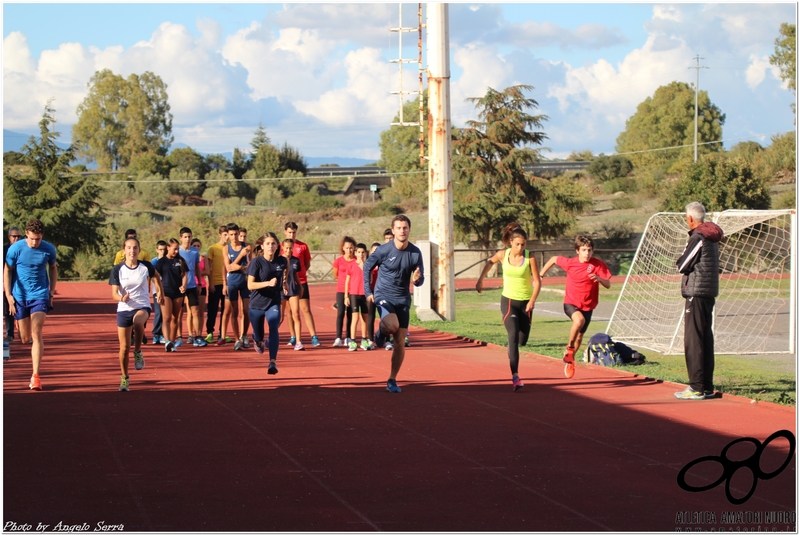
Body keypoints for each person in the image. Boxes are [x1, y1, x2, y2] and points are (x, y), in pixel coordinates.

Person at [475, 223, 542, 391]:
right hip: (509, 301)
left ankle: (515, 366)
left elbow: (538, 281)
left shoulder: (530, 257)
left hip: (526, 303)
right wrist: (480, 279)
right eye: (517, 244)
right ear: (511, 242)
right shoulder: (502, 255)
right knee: (512, 336)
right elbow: (489, 263)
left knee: (522, 339)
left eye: (523, 244)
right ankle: (515, 377)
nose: (520, 247)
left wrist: (533, 300)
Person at [363, 215, 424, 393]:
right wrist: (369, 292)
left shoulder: (415, 253)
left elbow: (420, 280)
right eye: (398, 228)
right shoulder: (383, 250)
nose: (402, 231)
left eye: (405, 228)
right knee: (392, 325)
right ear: (393, 230)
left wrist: (417, 280)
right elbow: (367, 267)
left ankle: (392, 379)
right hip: (383, 295)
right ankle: (380, 333)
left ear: (409, 229)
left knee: (399, 342)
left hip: (403, 298)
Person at [540, 235, 611, 379]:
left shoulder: (597, 264)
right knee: (579, 321)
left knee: (580, 337)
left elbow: (608, 284)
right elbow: (554, 259)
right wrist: (541, 275)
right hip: (571, 303)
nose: (587, 253)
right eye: (584, 250)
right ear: (577, 250)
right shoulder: (570, 263)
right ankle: (570, 349)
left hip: (588, 305)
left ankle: (570, 361)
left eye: (589, 250)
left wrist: (599, 279)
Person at [674, 202, 723, 400]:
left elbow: (683, 265)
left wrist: (679, 261)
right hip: (708, 291)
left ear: (690, 218)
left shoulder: (699, 237)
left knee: (693, 340)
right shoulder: (712, 237)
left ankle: (696, 387)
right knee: (705, 338)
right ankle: (707, 386)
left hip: (697, 292)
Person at [3, 218, 58, 390]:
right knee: (25, 339)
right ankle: (21, 324)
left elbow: (53, 268)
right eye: (32, 238)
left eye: (38, 239)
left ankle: (36, 376)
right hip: (20, 296)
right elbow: (7, 270)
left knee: (37, 332)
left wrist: (51, 291)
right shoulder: (15, 249)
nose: (35, 242)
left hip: (40, 295)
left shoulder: (48, 249)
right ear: (26, 234)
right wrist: (8, 295)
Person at [110, 237, 163, 391]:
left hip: (142, 306)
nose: (132, 251)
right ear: (124, 250)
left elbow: (157, 277)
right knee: (124, 348)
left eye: (135, 248)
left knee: (138, 322)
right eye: (129, 248)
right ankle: (125, 378)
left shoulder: (146, 266)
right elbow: (113, 293)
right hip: (124, 308)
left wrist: (159, 291)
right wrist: (121, 298)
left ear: (139, 250)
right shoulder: (117, 269)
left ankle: (138, 350)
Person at [247, 233, 287, 375]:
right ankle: (258, 341)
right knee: (259, 335)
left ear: (277, 246)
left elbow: (285, 273)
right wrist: (267, 283)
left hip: (273, 303)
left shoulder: (282, 261)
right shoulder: (256, 262)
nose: (271, 246)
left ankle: (272, 362)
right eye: (268, 243)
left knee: (274, 326)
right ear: (262, 246)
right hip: (256, 304)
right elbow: (250, 285)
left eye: (273, 243)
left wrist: (285, 284)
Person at [284, 222, 321, 347]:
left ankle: (314, 336)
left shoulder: (303, 246)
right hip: (287, 284)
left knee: (305, 309)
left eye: (294, 232)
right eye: (289, 232)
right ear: (285, 232)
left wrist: (300, 274)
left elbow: (307, 263)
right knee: (290, 311)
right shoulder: (281, 246)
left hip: (301, 281)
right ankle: (293, 336)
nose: (291, 234)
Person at [218, 222, 251, 350]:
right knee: (234, 311)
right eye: (231, 235)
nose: (234, 237)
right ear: (228, 235)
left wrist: (244, 267)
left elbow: (251, 264)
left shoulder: (247, 247)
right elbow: (229, 268)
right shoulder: (226, 249)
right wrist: (240, 256)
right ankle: (237, 339)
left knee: (246, 311)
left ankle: (244, 335)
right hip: (232, 281)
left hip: (245, 282)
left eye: (236, 234)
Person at [154, 239, 188, 353]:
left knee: (175, 318)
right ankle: (167, 341)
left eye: (177, 248)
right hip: (166, 292)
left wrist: (184, 285)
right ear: (168, 248)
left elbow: (184, 275)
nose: (176, 251)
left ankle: (172, 342)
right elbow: (155, 278)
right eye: (174, 248)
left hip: (178, 293)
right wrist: (159, 291)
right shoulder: (161, 262)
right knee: (167, 318)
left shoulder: (180, 260)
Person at [176, 227, 206, 347]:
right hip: (179, 286)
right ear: (181, 238)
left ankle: (197, 336)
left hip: (192, 285)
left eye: (189, 237)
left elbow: (197, 268)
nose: (188, 239)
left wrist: (199, 283)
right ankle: (179, 337)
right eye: (185, 237)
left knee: (196, 311)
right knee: (178, 312)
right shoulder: (177, 251)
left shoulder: (195, 251)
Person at [345, 243, 372, 351]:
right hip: (354, 294)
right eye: (359, 252)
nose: (361, 254)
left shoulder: (368, 265)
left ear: (366, 253)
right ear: (355, 253)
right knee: (355, 318)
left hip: (364, 295)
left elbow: (370, 280)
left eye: (363, 252)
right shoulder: (351, 265)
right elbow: (347, 281)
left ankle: (364, 339)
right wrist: (346, 296)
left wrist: (364, 268)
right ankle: (352, 340)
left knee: (365, 318)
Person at [205, 225, 228, 343]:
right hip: (216, 283)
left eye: (228, 235)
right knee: (213, 309)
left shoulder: (231, 248)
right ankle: (209, 332)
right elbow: (208, 267)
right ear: (219, 235)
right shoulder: (213, 248)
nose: (227, 237)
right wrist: (211, 283)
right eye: (225, 235)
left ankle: (222, 333)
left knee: (226, 310)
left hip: (227, 284)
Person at [332, 236, 356, 347]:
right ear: (343, 248)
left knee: (351, 314)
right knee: (340, 313)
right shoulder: (339, 261)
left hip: (353, 291)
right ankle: (338, 337)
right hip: (341, 290)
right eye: (347, 248)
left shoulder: (356, 261)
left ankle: (348, 337)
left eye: (351, 248)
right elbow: (335, 274)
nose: (349, 250)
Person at [281, 238, 304, 351]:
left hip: (293, 289)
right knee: (279, 317)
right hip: (280, 290)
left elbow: (295, 275)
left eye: (291, 248)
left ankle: (298, 342)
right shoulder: (278, 260)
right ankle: (270, 338)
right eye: (287, 248)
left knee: (296, 314)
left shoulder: (296, 260)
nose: (289, 250)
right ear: (282, 247)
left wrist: (300, 287)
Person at [4, 226, 22, 344]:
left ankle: (24, 332)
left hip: (21, 283)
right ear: (9, 237)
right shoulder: (3, 249)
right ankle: (10, 334)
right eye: (14, 236)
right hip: (7, 283)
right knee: (8, 309)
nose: (16, 238)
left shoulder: (24, 248)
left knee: (23, 308)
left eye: (18, 236)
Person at [191, 237, 209, 345]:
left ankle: (199, 334)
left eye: (198, 246)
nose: (196, 248)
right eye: (194, 246)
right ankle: (191, 334)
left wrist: (197, 273)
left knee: (201, 311)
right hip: (191, 285)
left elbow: (207, 271)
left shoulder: (203, 257)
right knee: (192, 312)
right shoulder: (189, 256)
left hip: (202, 285)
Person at [151, 240, 168, 344]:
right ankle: (157, 334)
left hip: (168, 290)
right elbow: (152, 277)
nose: (162, 252)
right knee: (158, 312)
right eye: (160, 249)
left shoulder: (169, 260)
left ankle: (164, 334)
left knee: (166, 313)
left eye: (164, 249)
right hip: (157, 291)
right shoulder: (153, 262)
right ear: (157, 250)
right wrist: (157, 289)